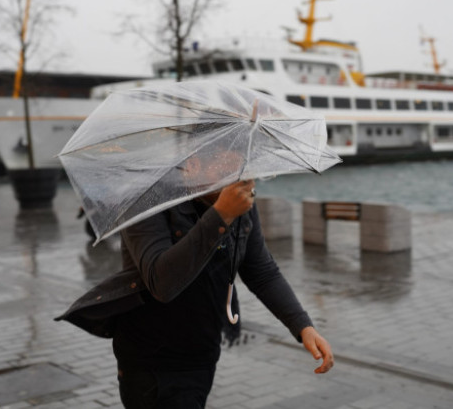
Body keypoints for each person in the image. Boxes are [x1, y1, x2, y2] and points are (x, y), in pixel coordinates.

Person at [110, 147, 334, 408]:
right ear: (192, 166)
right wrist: (222, 214)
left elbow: (262, 271)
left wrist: (303, 326)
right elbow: (161, 282)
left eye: (242, 169)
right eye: (226, 169)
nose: (238, 180)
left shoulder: (240, 204)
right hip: (151, 358)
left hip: (203, 351)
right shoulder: (147, 199)